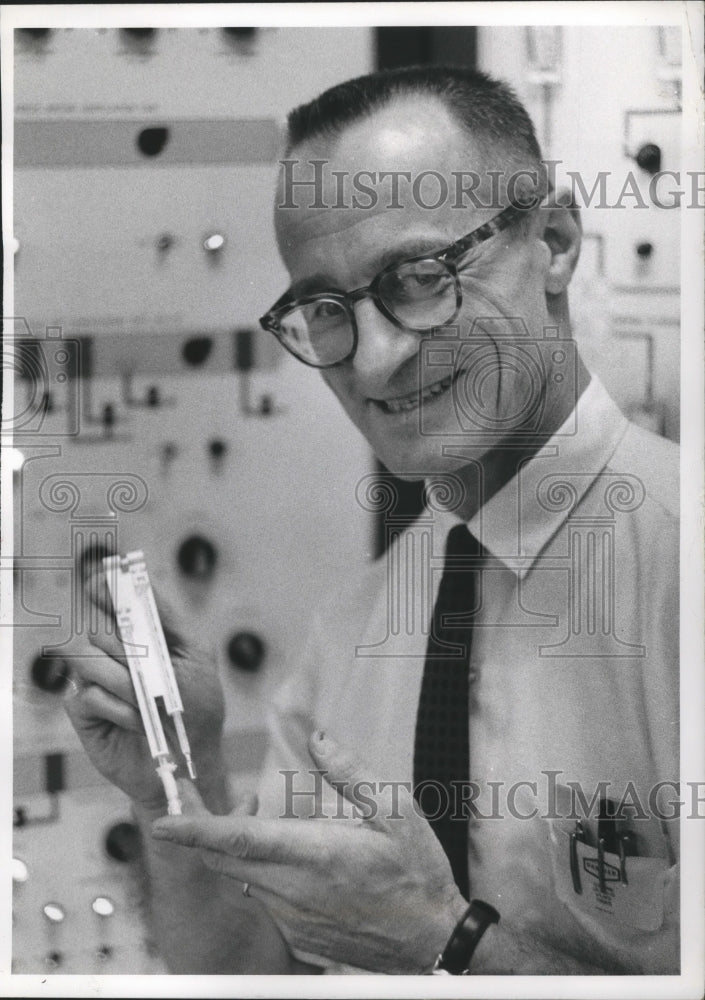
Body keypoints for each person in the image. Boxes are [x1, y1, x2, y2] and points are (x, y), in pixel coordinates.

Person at [64, 66, 679, 976]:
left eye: (421, 276)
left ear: (551, 238)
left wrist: (446, 942)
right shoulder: (359, 624)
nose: (377, 359)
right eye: (325, 309)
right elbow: (248, 971)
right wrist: (174, 776)